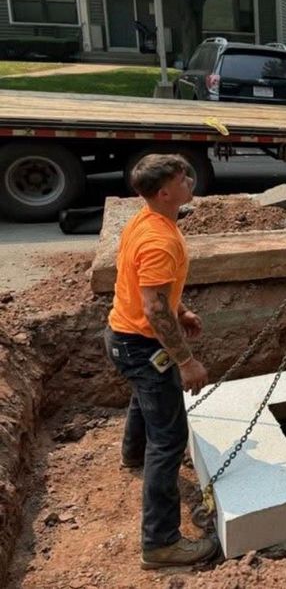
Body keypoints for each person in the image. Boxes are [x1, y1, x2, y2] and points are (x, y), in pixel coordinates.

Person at [104, 154, 218, 569]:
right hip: (140, 343)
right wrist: (186, 361)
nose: (190, 181)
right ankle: (161, 544)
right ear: (164, 192)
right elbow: (153, 309)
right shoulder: (159, 239)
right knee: (169, 439)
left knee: (147, 397)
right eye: (182, 178)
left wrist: (181, 310)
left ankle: (133, 454)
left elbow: (151, 291)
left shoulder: (146, 221)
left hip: (122, 336)